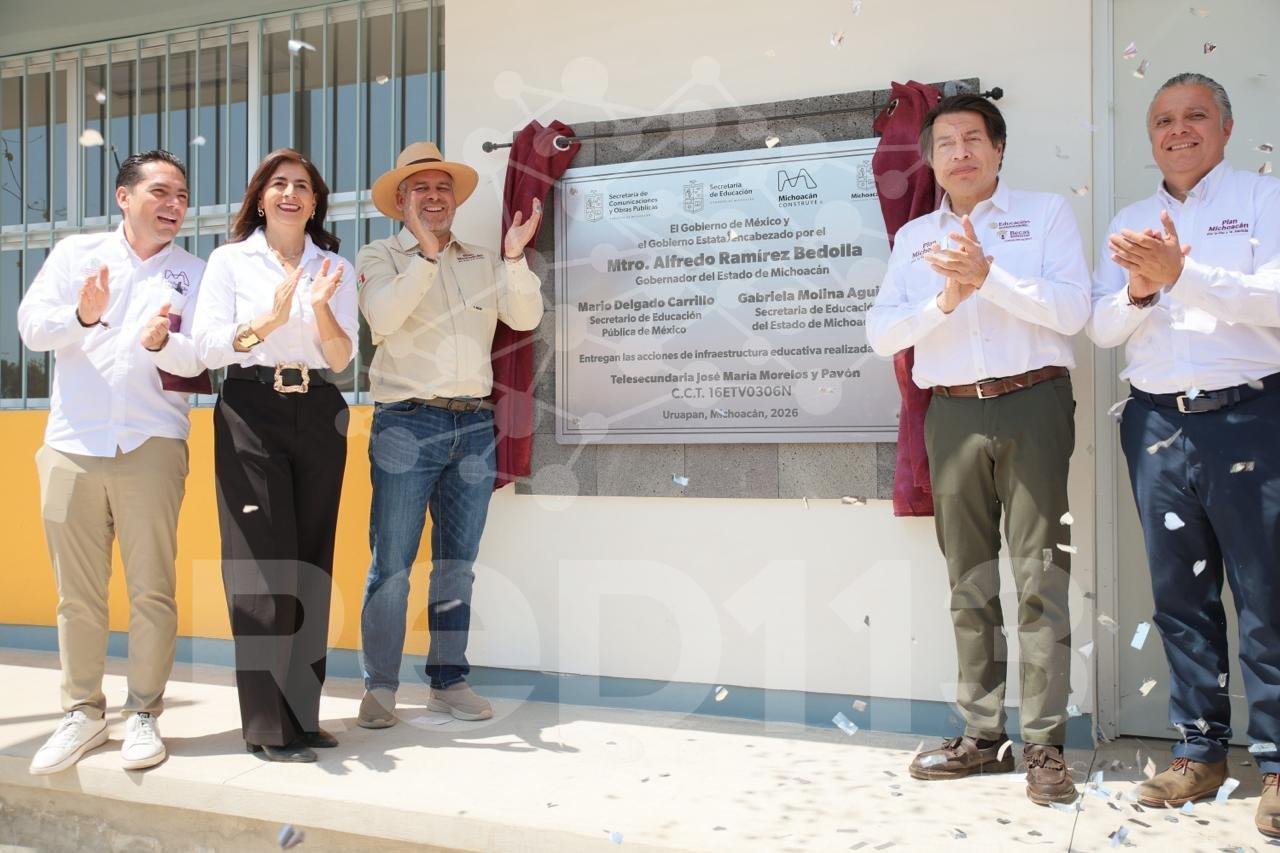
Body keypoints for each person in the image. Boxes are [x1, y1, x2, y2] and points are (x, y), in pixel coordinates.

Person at [867, 94, 1091, 805]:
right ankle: (982, 733)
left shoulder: (1045, 215)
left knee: (1039, 578)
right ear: (931, 159)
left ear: (997, 150)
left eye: (973, 139)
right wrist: (946, 301)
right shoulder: (913, 241)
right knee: (969, 581)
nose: (959, 153)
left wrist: (987, 276)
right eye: (945, 143)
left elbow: (1073, 311)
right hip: (952, 414)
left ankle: (1045, 745)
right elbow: (882, 334)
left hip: (1033, 402)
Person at [1087, 72, 1280, 838]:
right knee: (1181, 598)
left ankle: (1277, 761)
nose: (1178, 130)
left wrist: (1184, 276)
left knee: (1267, 594)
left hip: (1251, 416)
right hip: (1157, 425)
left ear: (1226, 128)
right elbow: (1103, 330)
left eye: (1195, 116)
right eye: (1163, 120)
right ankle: (1199, 751)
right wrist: (1138, 291)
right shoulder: (1134, 218)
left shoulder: (1265, 200)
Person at [18, 150, 206, 774]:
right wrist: (82, 315)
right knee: (78, 594)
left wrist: (165, 343)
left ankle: (145, 714)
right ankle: (83, 713)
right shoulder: (76, 255)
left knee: (152, 588)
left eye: (181, 194)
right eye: (160, 191)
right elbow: (30, 328)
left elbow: (201, 365)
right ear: (125, 197)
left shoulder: (193, 272)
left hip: (151, 443)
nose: (173, 203)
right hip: (72, 443)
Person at [355, 142, 543, 727]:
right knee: (392, 563)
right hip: (406, 424)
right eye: (420, 190)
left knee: (456, 563)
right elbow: (383, 318)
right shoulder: (379, 255)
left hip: (473, 425)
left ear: (455, 199)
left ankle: (448, 680)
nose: (433, 197)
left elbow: (525, 318)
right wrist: (427, 256)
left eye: (442, 189)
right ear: (400, 203)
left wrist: (514, 259)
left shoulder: (486, 260)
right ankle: (380, 687)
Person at [191, 148, 357, 763]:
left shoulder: (333, 264)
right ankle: (266, 725)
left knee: (311, 561)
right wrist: (269, 319)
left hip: (318, 408)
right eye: (279, 184)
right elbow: (209, 345)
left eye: (303, 186)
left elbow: (342, 359)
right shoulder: (231, 261)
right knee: (262, 567)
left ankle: (302, 717)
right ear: (260, 197)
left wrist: (316, 308)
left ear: (316, 202)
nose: (291, 194)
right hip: (250, 406)